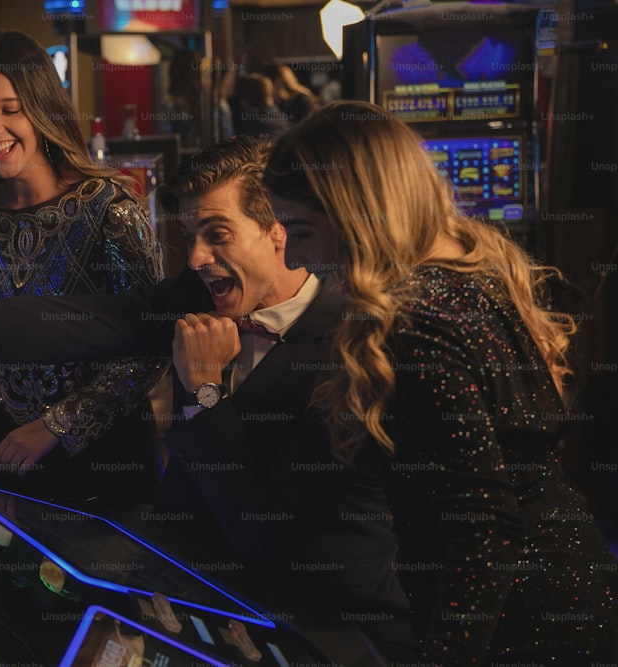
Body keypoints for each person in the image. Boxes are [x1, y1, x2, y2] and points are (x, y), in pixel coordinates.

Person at [0, 136, 420, 662]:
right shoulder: (197, 295)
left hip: (324, 628)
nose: (195, 258)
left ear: (279, 230)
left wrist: (206, 392)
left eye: (217, 234)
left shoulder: (350, 344)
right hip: (203, 593)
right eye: (190, 236)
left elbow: (263, 533)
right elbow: (67, 322)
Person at [263, 100, 618, 664]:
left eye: (303, 231)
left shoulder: (417, 319)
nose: (300, 257)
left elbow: (482, 526)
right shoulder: (474, 267)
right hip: (568, 579)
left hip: (524, 622)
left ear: (358, 213)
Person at [0, 30, 167, 505]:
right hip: (10, 457)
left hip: (107, 460)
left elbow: (152, 341)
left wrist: (55, 427)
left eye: (10, 108)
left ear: (42, 109)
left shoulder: (109, 208)